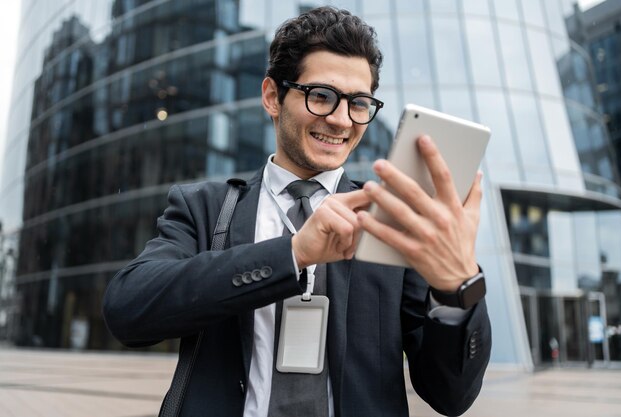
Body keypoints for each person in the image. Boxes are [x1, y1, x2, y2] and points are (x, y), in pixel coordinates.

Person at [103, 6, 491, 417]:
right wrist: (292, 254)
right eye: (321, 96)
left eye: (359, 103)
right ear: (273, 96)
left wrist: (456, 290)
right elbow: (128, 310)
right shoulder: (206, 208)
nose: (341, 120)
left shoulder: (392, 221)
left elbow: (450, 396)